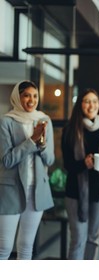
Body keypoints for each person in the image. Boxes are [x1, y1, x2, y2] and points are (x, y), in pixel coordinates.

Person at [0, 80, 54, 260]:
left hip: (37, 190)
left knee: (26, 247)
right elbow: (7, 160)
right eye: (26, 95)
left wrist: (43, 144)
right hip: (11, 190)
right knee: (4, 247)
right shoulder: (6, 121)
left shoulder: (44, 120)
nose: (31, 100)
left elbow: (50, 159)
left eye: (35, 96)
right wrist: (32, 141)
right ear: (18, 97)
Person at [61, 88, 99, 260]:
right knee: (77, 239)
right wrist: (83, 163)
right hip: (76, 191)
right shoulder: (70, 128)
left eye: (94, 101)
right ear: (80, 105)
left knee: (93, 238)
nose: (91, 105)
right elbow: (67, 165)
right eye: (86, 101)